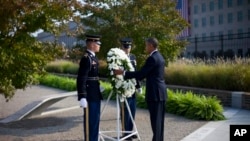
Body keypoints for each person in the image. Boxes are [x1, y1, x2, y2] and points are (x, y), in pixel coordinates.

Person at [114, 37, 167, 141]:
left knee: (156, 121)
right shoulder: (159, 56)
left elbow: (141, 74)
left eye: (146, 45)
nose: (145, 47)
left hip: (155, 94)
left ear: (151, 46)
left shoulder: (152, 58)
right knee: (159, 121)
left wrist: (123, 73)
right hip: (161, 93)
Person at [77, 34, 103, 141]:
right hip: (89, 95)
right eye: (97, 44)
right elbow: (81, 78)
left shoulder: (94, 58)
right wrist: (82, 96)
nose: (99, 46)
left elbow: (93, 77)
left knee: (95, 120)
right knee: (90, 121)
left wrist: (98, 86)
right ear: (92, 44)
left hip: (95, 93)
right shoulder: (86, 58)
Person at [119, 38, 142, 140]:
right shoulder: (118, 58)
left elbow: (135, 73)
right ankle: (125, 132)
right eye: (125, 47)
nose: (127, 49)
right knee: (125, 111)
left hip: (132, 88)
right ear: (122, 47)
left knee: (132, 110)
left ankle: (130, 131)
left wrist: (138, 86)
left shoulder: (132, 57)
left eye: (129, 47)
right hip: (124, 88)